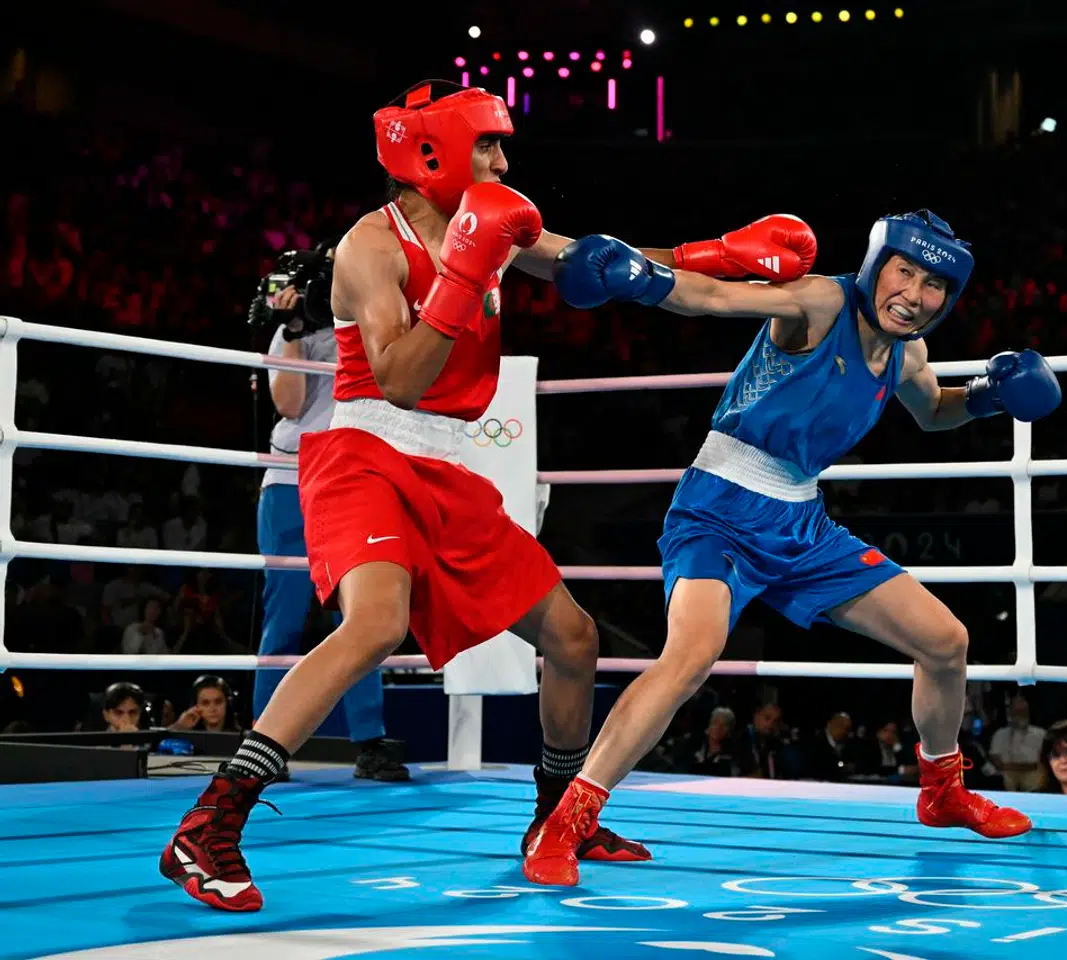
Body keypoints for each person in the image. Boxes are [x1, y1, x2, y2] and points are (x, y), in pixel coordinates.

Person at [159, 80, 815, 913]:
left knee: (574, 639)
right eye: (487, 146)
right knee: (375, 624)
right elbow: (398, 380)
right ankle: (212, 823)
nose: (503, 163)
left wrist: (718, 254)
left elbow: (602, 263)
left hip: (448, 464)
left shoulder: (498, 222)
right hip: (364, 452)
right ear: (430, 153)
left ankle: (557, 817)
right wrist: (464, 273)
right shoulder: (371, 246)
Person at [524, 210, 1060, 885]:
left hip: (801, 522)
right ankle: (567, 820)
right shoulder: (821, 302)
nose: (914, 295)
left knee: (945, 642)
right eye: (904, 272)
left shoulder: (908, 354)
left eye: (933, 286)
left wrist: (987, 398)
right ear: (876, 267)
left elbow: (932, 411)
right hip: (718, 507)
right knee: (689, 656)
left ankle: (942, 791)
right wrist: (644, 279)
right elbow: (714, 296)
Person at [255, 274, 406, 782]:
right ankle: (265, 743)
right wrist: (293, 331)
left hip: (354, 481)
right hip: (291, 481)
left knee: (363, 617)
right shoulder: (288, 333)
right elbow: (289, 404)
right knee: (284, 617)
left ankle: (370, 740)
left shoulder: (376, 324)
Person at [170, 675, 241, 734]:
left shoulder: (243, 738)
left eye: (218, 702)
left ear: (227, 703)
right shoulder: (185, 734)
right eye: (205, 703)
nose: (212, 709)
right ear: (196, 706)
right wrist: (179, 726)